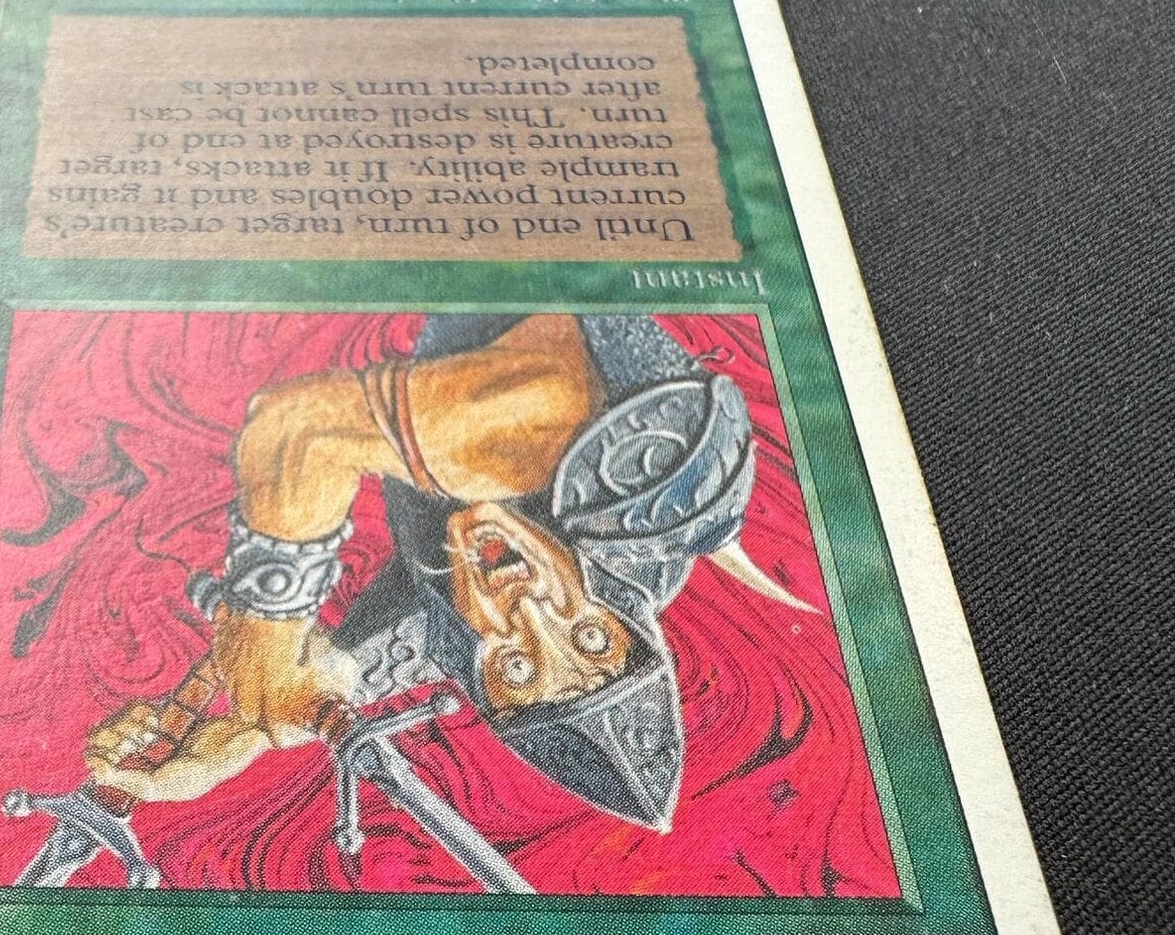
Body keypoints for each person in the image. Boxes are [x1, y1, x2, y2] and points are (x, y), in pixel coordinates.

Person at [85, 312, 805, 830]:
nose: (527, 611)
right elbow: (296, 433)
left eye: (516, 669)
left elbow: (357, 668)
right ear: (627, 615)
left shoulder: (461, 619)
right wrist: (262, 643)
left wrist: (244, 738)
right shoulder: (636, 476)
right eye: (591, 640)